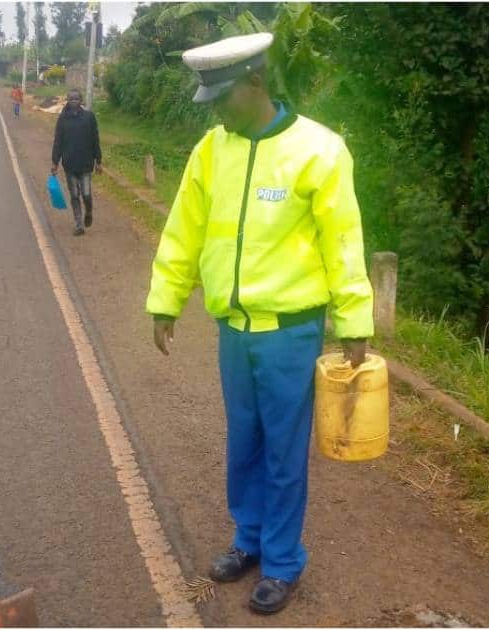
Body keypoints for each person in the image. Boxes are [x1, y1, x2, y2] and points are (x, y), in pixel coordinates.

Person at [145, 32, 374, 615]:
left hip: (291, 333)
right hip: (234, 331)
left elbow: (344, 241)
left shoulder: (319, 150)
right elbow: (184, 230)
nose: (216, 110)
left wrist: (353, 319)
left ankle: (281, 561)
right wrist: (166, 299)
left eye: (223, 97)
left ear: (255, 83)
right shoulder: (211, 150)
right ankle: (247, 539)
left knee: (283, 450)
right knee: (243, 440)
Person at [51, 89, 102, 236]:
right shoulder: (62, 119)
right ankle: (79, 224)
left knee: (86, 194)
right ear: (67, 100)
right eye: (71, 99)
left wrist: (98, 161)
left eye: (76, 99)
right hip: (69, 164)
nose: (74, 101)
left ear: (81, 100)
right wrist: (55, 162)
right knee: (74, 195)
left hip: (86, 164)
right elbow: (58, 142)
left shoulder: (89, 117)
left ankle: (89, 211)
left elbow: (95, 140)